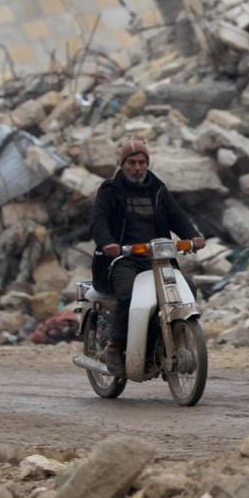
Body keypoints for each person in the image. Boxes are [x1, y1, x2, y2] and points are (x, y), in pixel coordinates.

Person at [90, 138, 204, 376]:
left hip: (159, 259)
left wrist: (193, 236)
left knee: (188, 289)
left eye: (142, 162)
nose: (138, 167)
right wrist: (108, 243)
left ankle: (168, 341)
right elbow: (99, 221)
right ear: (123, 164)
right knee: (128, 295)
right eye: (132, 162)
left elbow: (177, 216)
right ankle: (115, 345)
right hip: (123, 260)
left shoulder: (158, 188)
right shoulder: (110, 190)